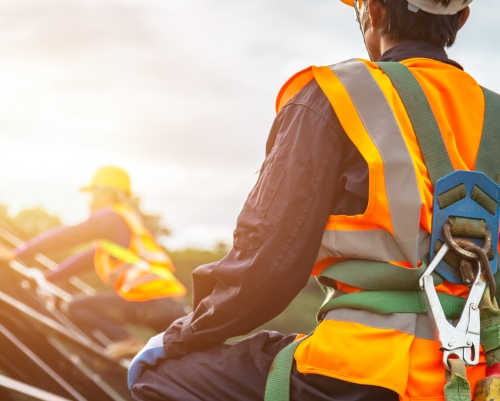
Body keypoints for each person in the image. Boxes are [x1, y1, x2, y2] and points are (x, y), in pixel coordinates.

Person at [128, 1, 500, 400]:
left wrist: (181, 336)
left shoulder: (336, 94)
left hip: (363, 371)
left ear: (373, 12)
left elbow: (266, 268)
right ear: (461, 19)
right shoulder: (493, 114)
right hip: (480, 379)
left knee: (159, 375)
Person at [0, 166, 188, 358]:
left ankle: (126, 340)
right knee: (174, 361)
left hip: (150, 301)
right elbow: (78, 263)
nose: (91, 200)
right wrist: (47, 278)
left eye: (94, 193)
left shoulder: (111, 216)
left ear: (107, 193)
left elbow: (68, 235)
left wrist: (16, 254)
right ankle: (132, 348)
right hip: (171, 306)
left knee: (77, 306)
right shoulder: (120, 233)